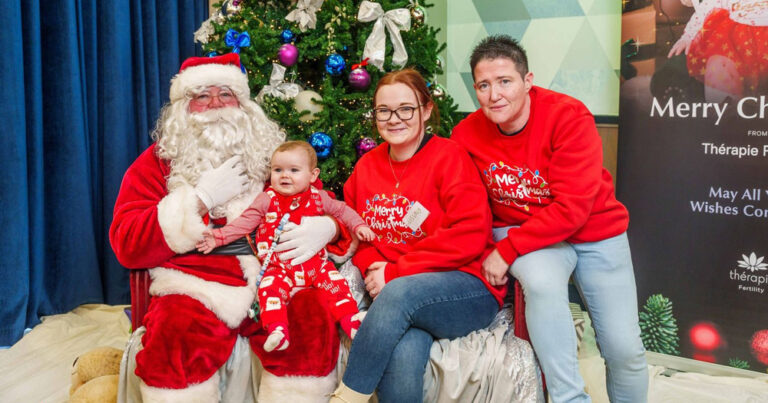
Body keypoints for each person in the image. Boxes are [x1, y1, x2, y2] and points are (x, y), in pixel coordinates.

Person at [109, 53, 352, 402]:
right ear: (182, 109)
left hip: (276, 277)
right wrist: (199, 200)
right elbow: (127, 241)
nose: (215, 105)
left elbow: (326, 203)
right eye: (202, 96)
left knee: (311, 316)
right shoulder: (155, 163)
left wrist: (327, 227)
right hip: (196, 285)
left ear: (242, 103)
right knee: (175, 335)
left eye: (226, 94)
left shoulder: (268, 153)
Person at [451, 35, 648, 403]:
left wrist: (507, 249)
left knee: (626, 351)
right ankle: (569, 399)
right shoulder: (465, 135)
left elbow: (573, 208)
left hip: (594, 230)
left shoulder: (568, 116)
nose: (495, 94)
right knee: (541, 285)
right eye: (483, 85)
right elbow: (465, 203)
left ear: (528, 82)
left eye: (505, 81)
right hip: (527, 232)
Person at [328, 68, 506, 403]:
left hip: (466, 286)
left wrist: (395, 273)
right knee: (404, 346)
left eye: (405, 109)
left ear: (425, 110)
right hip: (403, 296)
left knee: (399, 294)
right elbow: (359, 234)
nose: (394, 119)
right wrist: (372, 268)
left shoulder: (449, 157)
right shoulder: (367, 167)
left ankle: (346, 398)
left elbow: (469, 234)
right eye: (384, 110)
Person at [196, 140, 375, 352]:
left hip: (315, 265)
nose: (284, 175)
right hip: (279, 267)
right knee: (269, 290)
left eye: (294, 170)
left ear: (313, 175)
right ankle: (278, 331)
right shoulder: (267, 199)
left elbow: (342, 211)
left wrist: (359, 225)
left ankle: (351, 322)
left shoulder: (319, 198)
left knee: (336, 286)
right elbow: (245, 222)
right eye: (277, 170)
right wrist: (219, 237)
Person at [667, 0, 768, 100]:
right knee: (720, 68)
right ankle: (726, 109)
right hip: (737, 41)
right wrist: (688, 36)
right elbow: (707, 7)